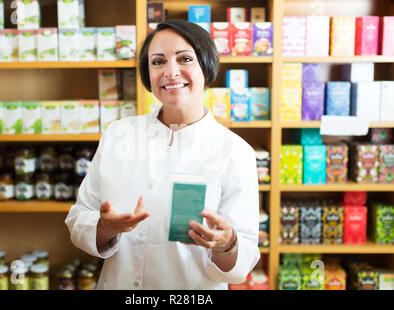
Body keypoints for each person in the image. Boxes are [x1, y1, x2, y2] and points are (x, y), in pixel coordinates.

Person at [65, 19, 260, 290]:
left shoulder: (235, 152)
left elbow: (244, 259)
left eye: (185, 59)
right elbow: (78, 218)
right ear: (147, 75)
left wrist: (227, 245)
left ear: (206, 65)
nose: (171, 72)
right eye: (158, 62)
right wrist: (106, 227)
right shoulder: (118, 134)